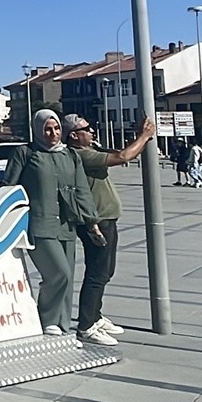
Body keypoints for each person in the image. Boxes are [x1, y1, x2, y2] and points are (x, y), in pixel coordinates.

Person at [0, 109, 103, 336]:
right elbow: (8, 187)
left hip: (67, 224)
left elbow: (82, 191)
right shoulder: (25, 153)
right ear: (37, 130)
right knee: (59, 273)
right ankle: (46, 318)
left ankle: (62, 324)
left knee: (68, 279)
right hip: (39, 223)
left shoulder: (70, 156)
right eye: (47, 129)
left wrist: (91, 221)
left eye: (56, 128)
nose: (52, 133)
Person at [62, 113, 155, 346]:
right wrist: (144, 136)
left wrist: (138, 137)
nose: (92, 131)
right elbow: (124, 156)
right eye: (87, 128)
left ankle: (95, 315)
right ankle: (86, 325)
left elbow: (120, 152)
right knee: (97, 273)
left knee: (106, 270)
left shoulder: (91, 148)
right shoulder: (80, 154)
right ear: (74, 135)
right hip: (96, 221)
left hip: (106, 218)